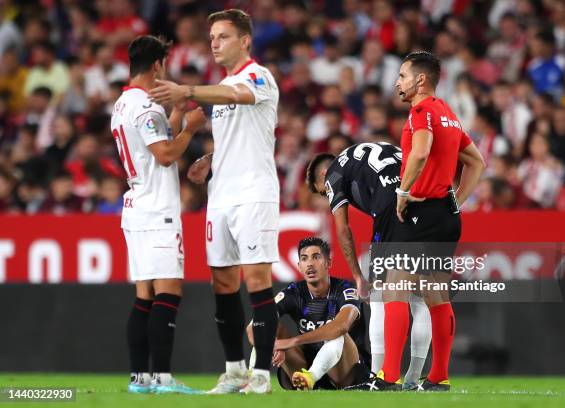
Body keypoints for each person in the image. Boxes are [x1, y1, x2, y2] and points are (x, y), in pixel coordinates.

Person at [149, 9, 280, 394]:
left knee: (257, 280)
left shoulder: (257, 76)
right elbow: (238, 131)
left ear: (245, 41)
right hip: (220, 195)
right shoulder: (221, 89)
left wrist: (187, 91)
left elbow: (237, 95)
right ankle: (235, 369)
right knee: (222, 281)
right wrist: (211, 159)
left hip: (254, 194)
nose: (215, 44)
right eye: (212, 39)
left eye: (223, 37)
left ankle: (261, 376)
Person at [374, 51, 484, 392]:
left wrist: (402, 193)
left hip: (420, 214)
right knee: (437, 294)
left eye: (403, 75)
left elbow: (420, 153)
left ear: (421, 80)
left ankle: (388, 377)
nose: (397, 82)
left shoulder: (421, 112)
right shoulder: (446, 113)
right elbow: (476, 162)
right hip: (445, 216)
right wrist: (456, 201)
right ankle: (439, 377)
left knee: (395, 287)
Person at [111, 35, 206, 394]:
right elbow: (165, 154)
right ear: (156, 66)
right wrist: (190, 129)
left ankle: (140, 380)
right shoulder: (146, 108)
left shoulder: (123, 104)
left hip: (136, 206)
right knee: (168, 292)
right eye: (164, 65)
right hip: (157, 211)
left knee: (144, 296)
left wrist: (178, 113)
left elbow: (149, 142)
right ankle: (164, 379)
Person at [306, 142, 432, 387]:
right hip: (426, 199)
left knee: (377, 297)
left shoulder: (333, 172)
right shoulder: (368, 150)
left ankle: (376, 376)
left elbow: (342, 230)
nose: (327, 196)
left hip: (391, 208)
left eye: (323, 192)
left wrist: (357, 277)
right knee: (419, 298)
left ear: (322, 175)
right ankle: (413, 378)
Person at [246, 237, 371, 391]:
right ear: (299, 266)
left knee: (336, 332)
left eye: (316, 257)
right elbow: (255, 324)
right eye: (304, 259)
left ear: (328, 263)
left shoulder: (346, 290)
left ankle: (311, 376)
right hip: (303, 367)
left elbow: (341, 326)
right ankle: (255, 379)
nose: (310, 263)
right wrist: (270, 346)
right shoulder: (294, 293)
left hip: (345, 371)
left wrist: (292, 342)